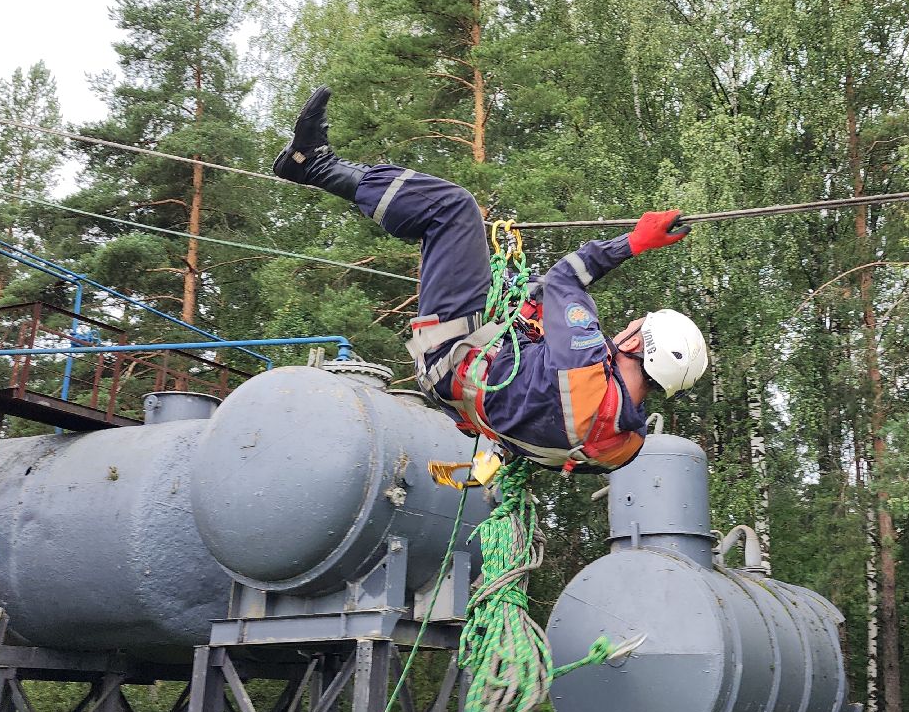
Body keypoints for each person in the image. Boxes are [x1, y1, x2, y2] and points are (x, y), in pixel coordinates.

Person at [273, 87, 708, 474]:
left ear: (637, 344)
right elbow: (543, 399)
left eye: (632, 329)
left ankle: (314, 165)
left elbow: (565, 280)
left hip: (453, 352)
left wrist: (632, 243)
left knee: (452, 210)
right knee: (520, 284)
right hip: (462, 387)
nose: (624, 330)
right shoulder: (621, 445)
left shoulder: (587, 368)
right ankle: (341, 180)